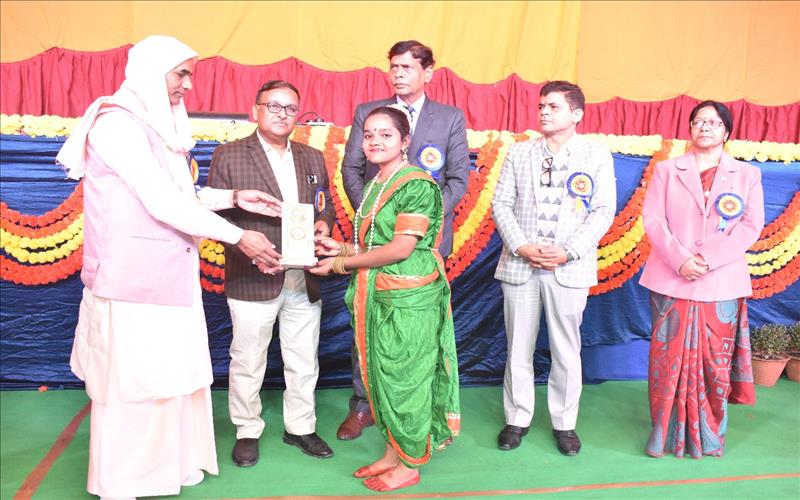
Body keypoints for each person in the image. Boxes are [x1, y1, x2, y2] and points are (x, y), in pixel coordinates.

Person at [57, 35, 280, 500]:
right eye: (181, 74)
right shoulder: (117, 124)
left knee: (172, 378)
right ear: (150, 71)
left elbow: (180, 194)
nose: (188, 85)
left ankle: (167, 471)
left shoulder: (155, 126)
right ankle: (122, 483)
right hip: (132, 282)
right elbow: (162, 202)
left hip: (168, 277)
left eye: (190, 75)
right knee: (135, 384)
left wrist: (235, 198)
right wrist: (239, 236)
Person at [311, 106, 460, 492]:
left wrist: (341, 264)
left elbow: (400, 249)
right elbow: (376, 244)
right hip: (380, 294)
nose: (375, 141)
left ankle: (409, 463)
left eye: (386, 134)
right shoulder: (377, 183)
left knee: (406, 379)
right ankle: (393, 453)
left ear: (405, 140)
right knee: (381, 377)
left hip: (409, 299)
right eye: (369, 135)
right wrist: (342, 247)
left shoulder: (416, 185)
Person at [338, 39, 469, 441]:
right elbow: (351, 170)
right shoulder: (369, 113)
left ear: (428, 72)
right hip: (375, 241)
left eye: (407, 67)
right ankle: (364, 405)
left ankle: (413, 413)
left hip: (422, 248)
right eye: (394, 67)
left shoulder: (449, 118)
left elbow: (458, 178)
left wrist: (419, 219)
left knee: (412, 336)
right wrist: (380, 215)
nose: (398, 74)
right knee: (369, 321)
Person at [208, 80, 335, 465]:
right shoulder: (229, 155)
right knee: (248, 359)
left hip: (303, 276)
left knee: (304, 358)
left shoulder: (312, 157)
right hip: (252, 276)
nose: (282, 114)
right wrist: (248, 250)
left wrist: (324, 224)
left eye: (290, 108)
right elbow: (216, 218)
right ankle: (247, 428)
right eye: (274, 106)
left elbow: (324, 205)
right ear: (256, 111)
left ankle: (301, 426)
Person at [491, 81, 616, 455]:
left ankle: (564, 423)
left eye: (554, 107)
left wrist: (569, 251)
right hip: (520, 265)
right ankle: (517, 418)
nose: (544, 112)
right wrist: (521, 246)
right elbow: (501, 205)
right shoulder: (520, 152)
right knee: (518, 347)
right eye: (541, 106)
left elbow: (603, 211)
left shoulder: (595, 154)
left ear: (576, 114)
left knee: (566, 349)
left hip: (569, 267)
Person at [640, 100, 763, 459]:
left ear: (726, 131)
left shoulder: (747, 175)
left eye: (713, 122)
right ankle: (665, 433)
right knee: (667, 361)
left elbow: (750, 226)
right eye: (698, 121)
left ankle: (708, 435)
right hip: (671, 278)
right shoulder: (667, 170)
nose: (705, 127)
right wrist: (681, 260)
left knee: (714, 363)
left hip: (721, 281)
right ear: (690, 128)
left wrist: (707, 260)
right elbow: (653, 220)